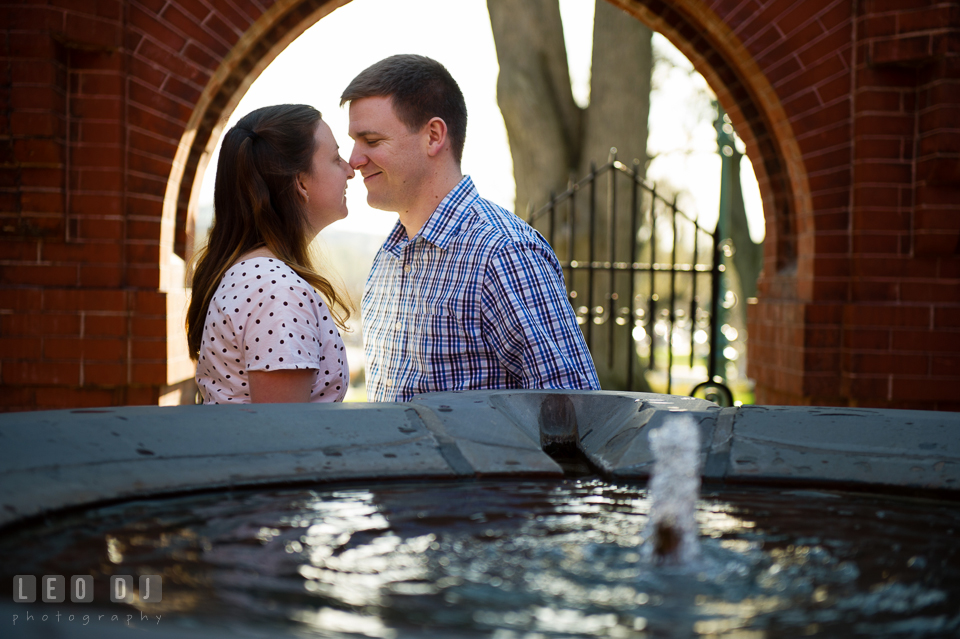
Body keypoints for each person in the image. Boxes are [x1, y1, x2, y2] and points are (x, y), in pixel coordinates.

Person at [341, 54, 600, 402]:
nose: (354, 160)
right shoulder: (389, 256)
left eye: (371, 141)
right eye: (354, 143)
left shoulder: (504, 254)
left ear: (433, 136)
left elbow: (576, 410)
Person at [186, 104, 354, 404]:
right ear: (301, 182)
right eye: (335, 158)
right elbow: (285, 437)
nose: (350, 170)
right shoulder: (276, 289)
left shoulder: (259, 276)